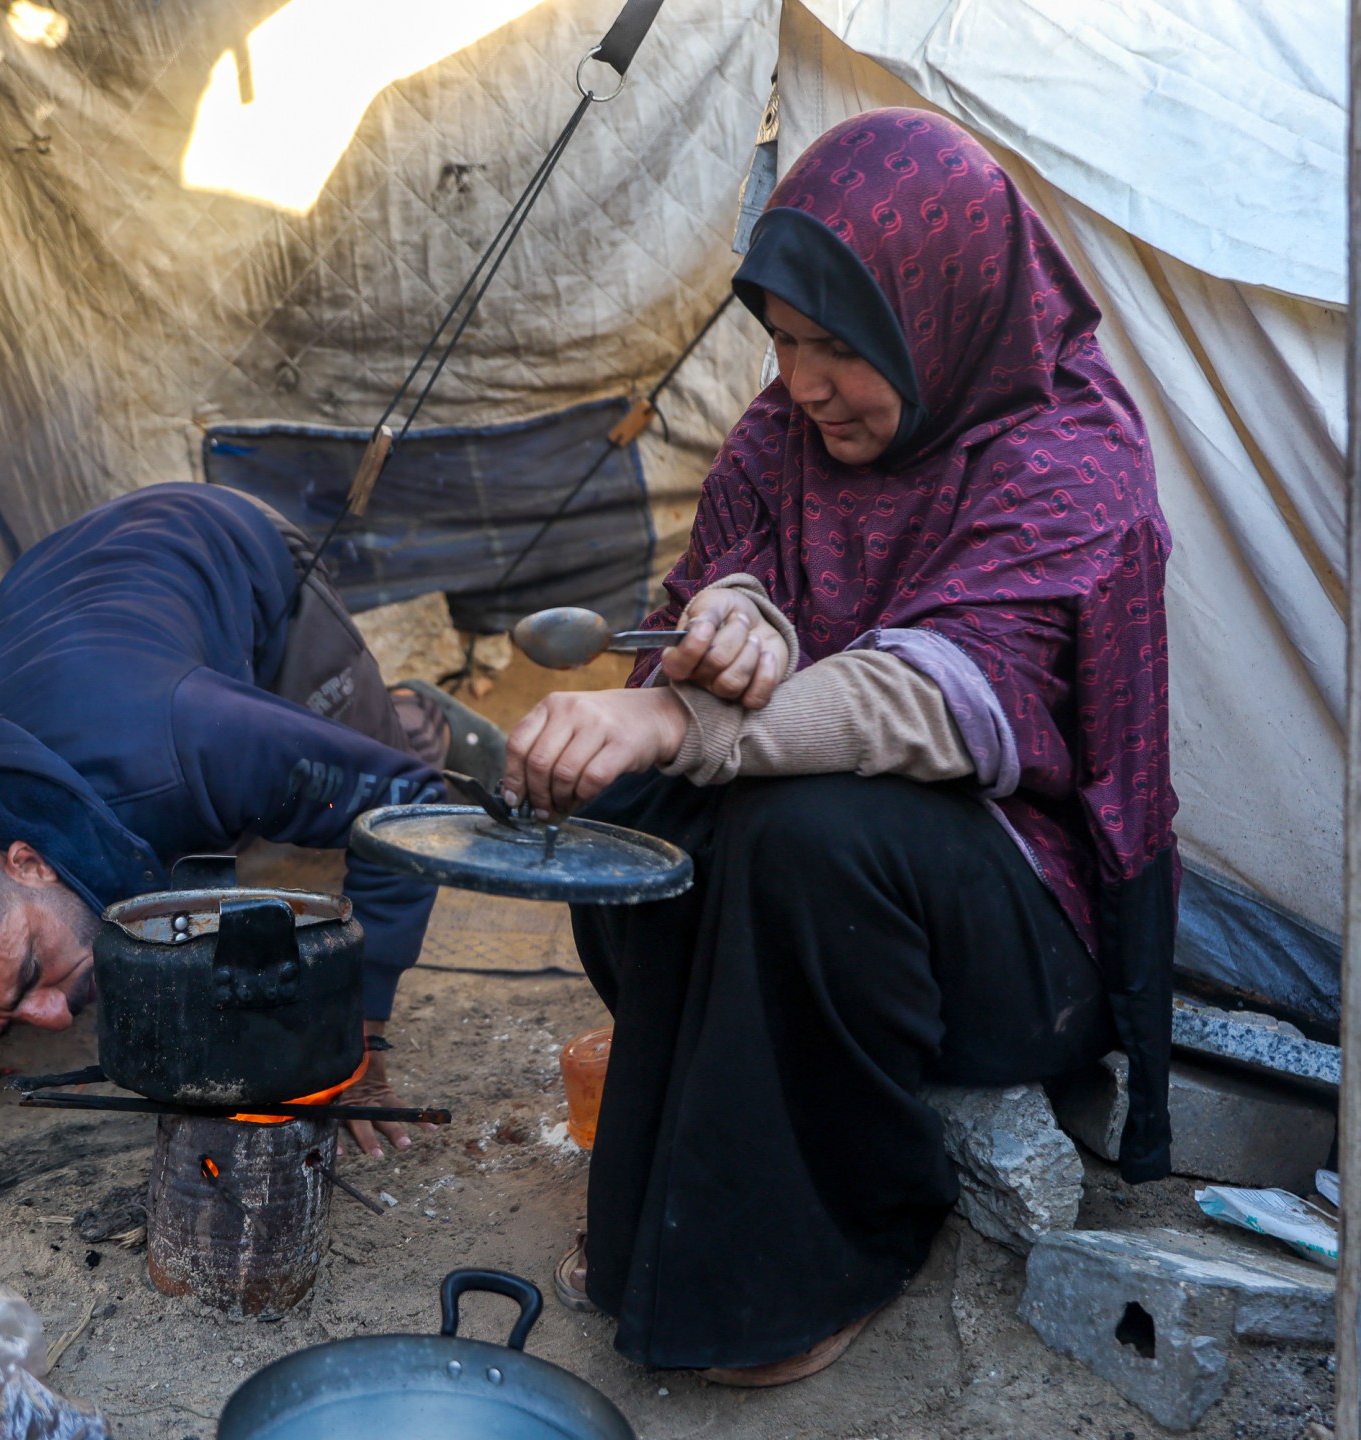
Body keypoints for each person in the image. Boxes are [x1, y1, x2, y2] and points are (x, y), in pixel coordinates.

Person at [502, 108, 1177, 1385]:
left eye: (841, 348)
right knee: (643, 821)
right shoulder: (787, 435)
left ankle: (826, 1260)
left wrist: (680, 716)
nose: (802, 382)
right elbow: (730, 571)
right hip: (845, 887)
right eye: (786, 339)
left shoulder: (1069, 455)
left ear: (942, 312)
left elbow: (936, 697)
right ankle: (665, 1229)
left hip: (1022, 932)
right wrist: (735, 617)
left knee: (800, 833)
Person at [0, 483, 490, 1161]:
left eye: (31, 973)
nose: (57, 1017)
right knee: (236, 806)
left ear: (28, 862)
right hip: (45, 588)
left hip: (220, 542)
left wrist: (359, 1036)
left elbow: (406, 811)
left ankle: (417, 715)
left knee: (340, 788)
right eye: (16, 1012)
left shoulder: (191, 740)